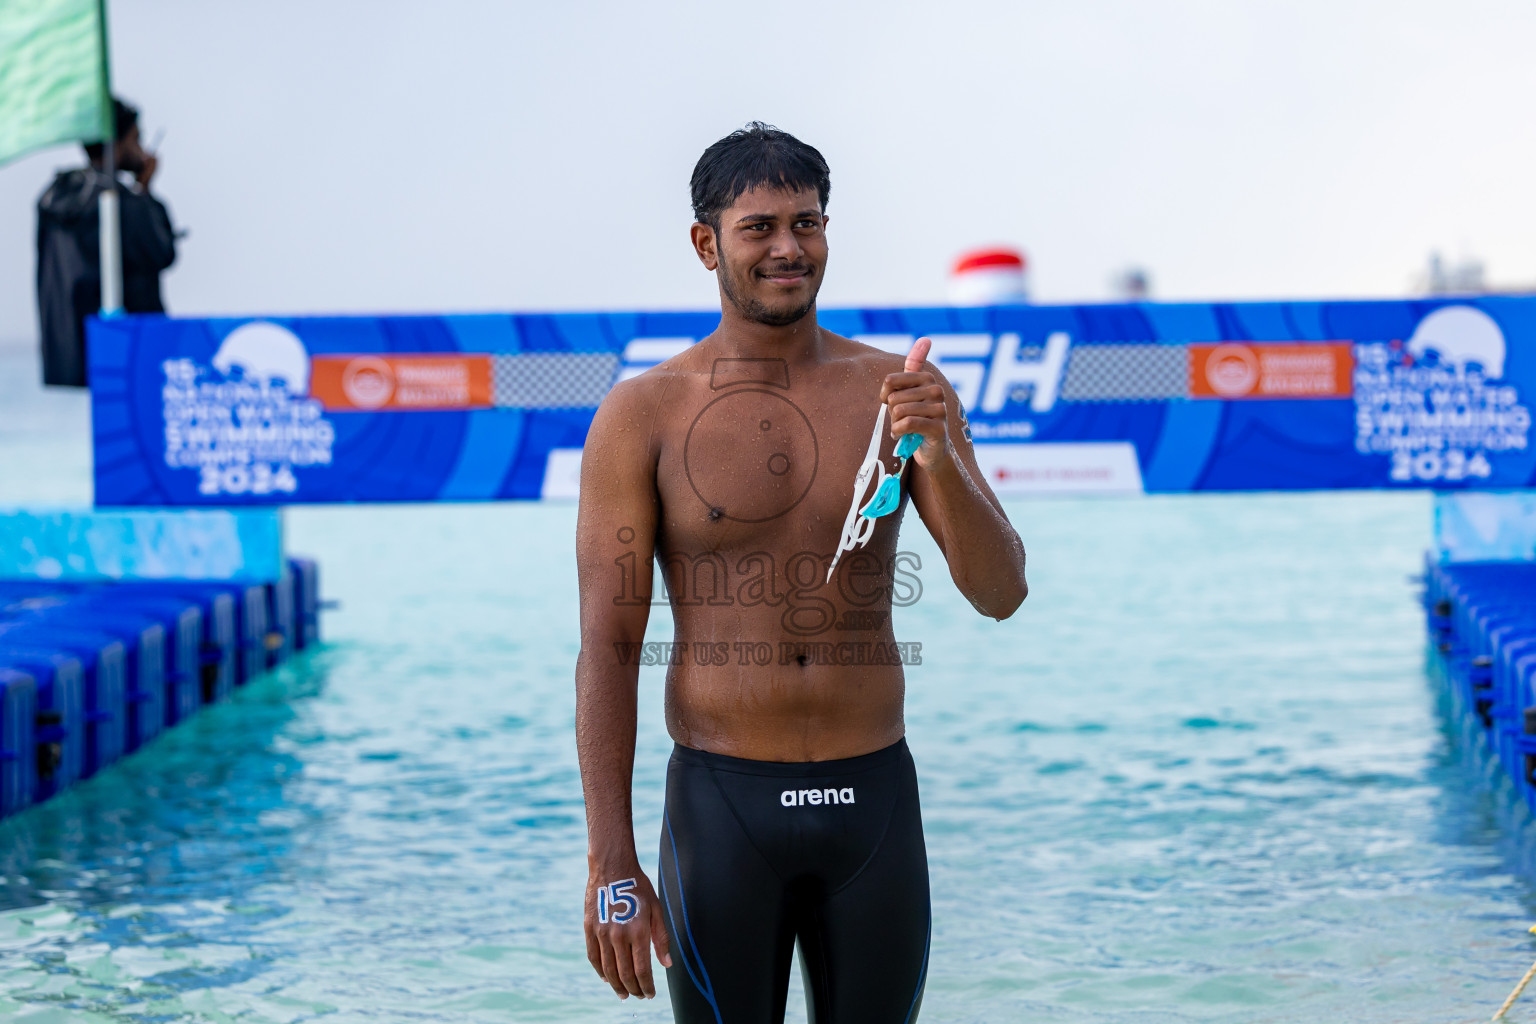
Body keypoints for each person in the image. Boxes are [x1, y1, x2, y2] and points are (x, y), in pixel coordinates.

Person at [575, 122, 1028, 1023]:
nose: (790, 247)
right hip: (720, 805)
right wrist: (611, 864)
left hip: (875, 799)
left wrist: (937, 453)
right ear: (707, 243)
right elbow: (608, 645)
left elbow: (1001, 592)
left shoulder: (895, 396)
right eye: (760, 227)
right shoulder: (644, 414)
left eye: (808, 223)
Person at [35, 96, 177, 387]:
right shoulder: (120, 202)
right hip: (127, 353)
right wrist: (144, 190)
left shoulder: (55, 196)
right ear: (118, 143)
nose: (141, 149)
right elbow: (160, 252)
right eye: (136, 138)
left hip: (70, 355)